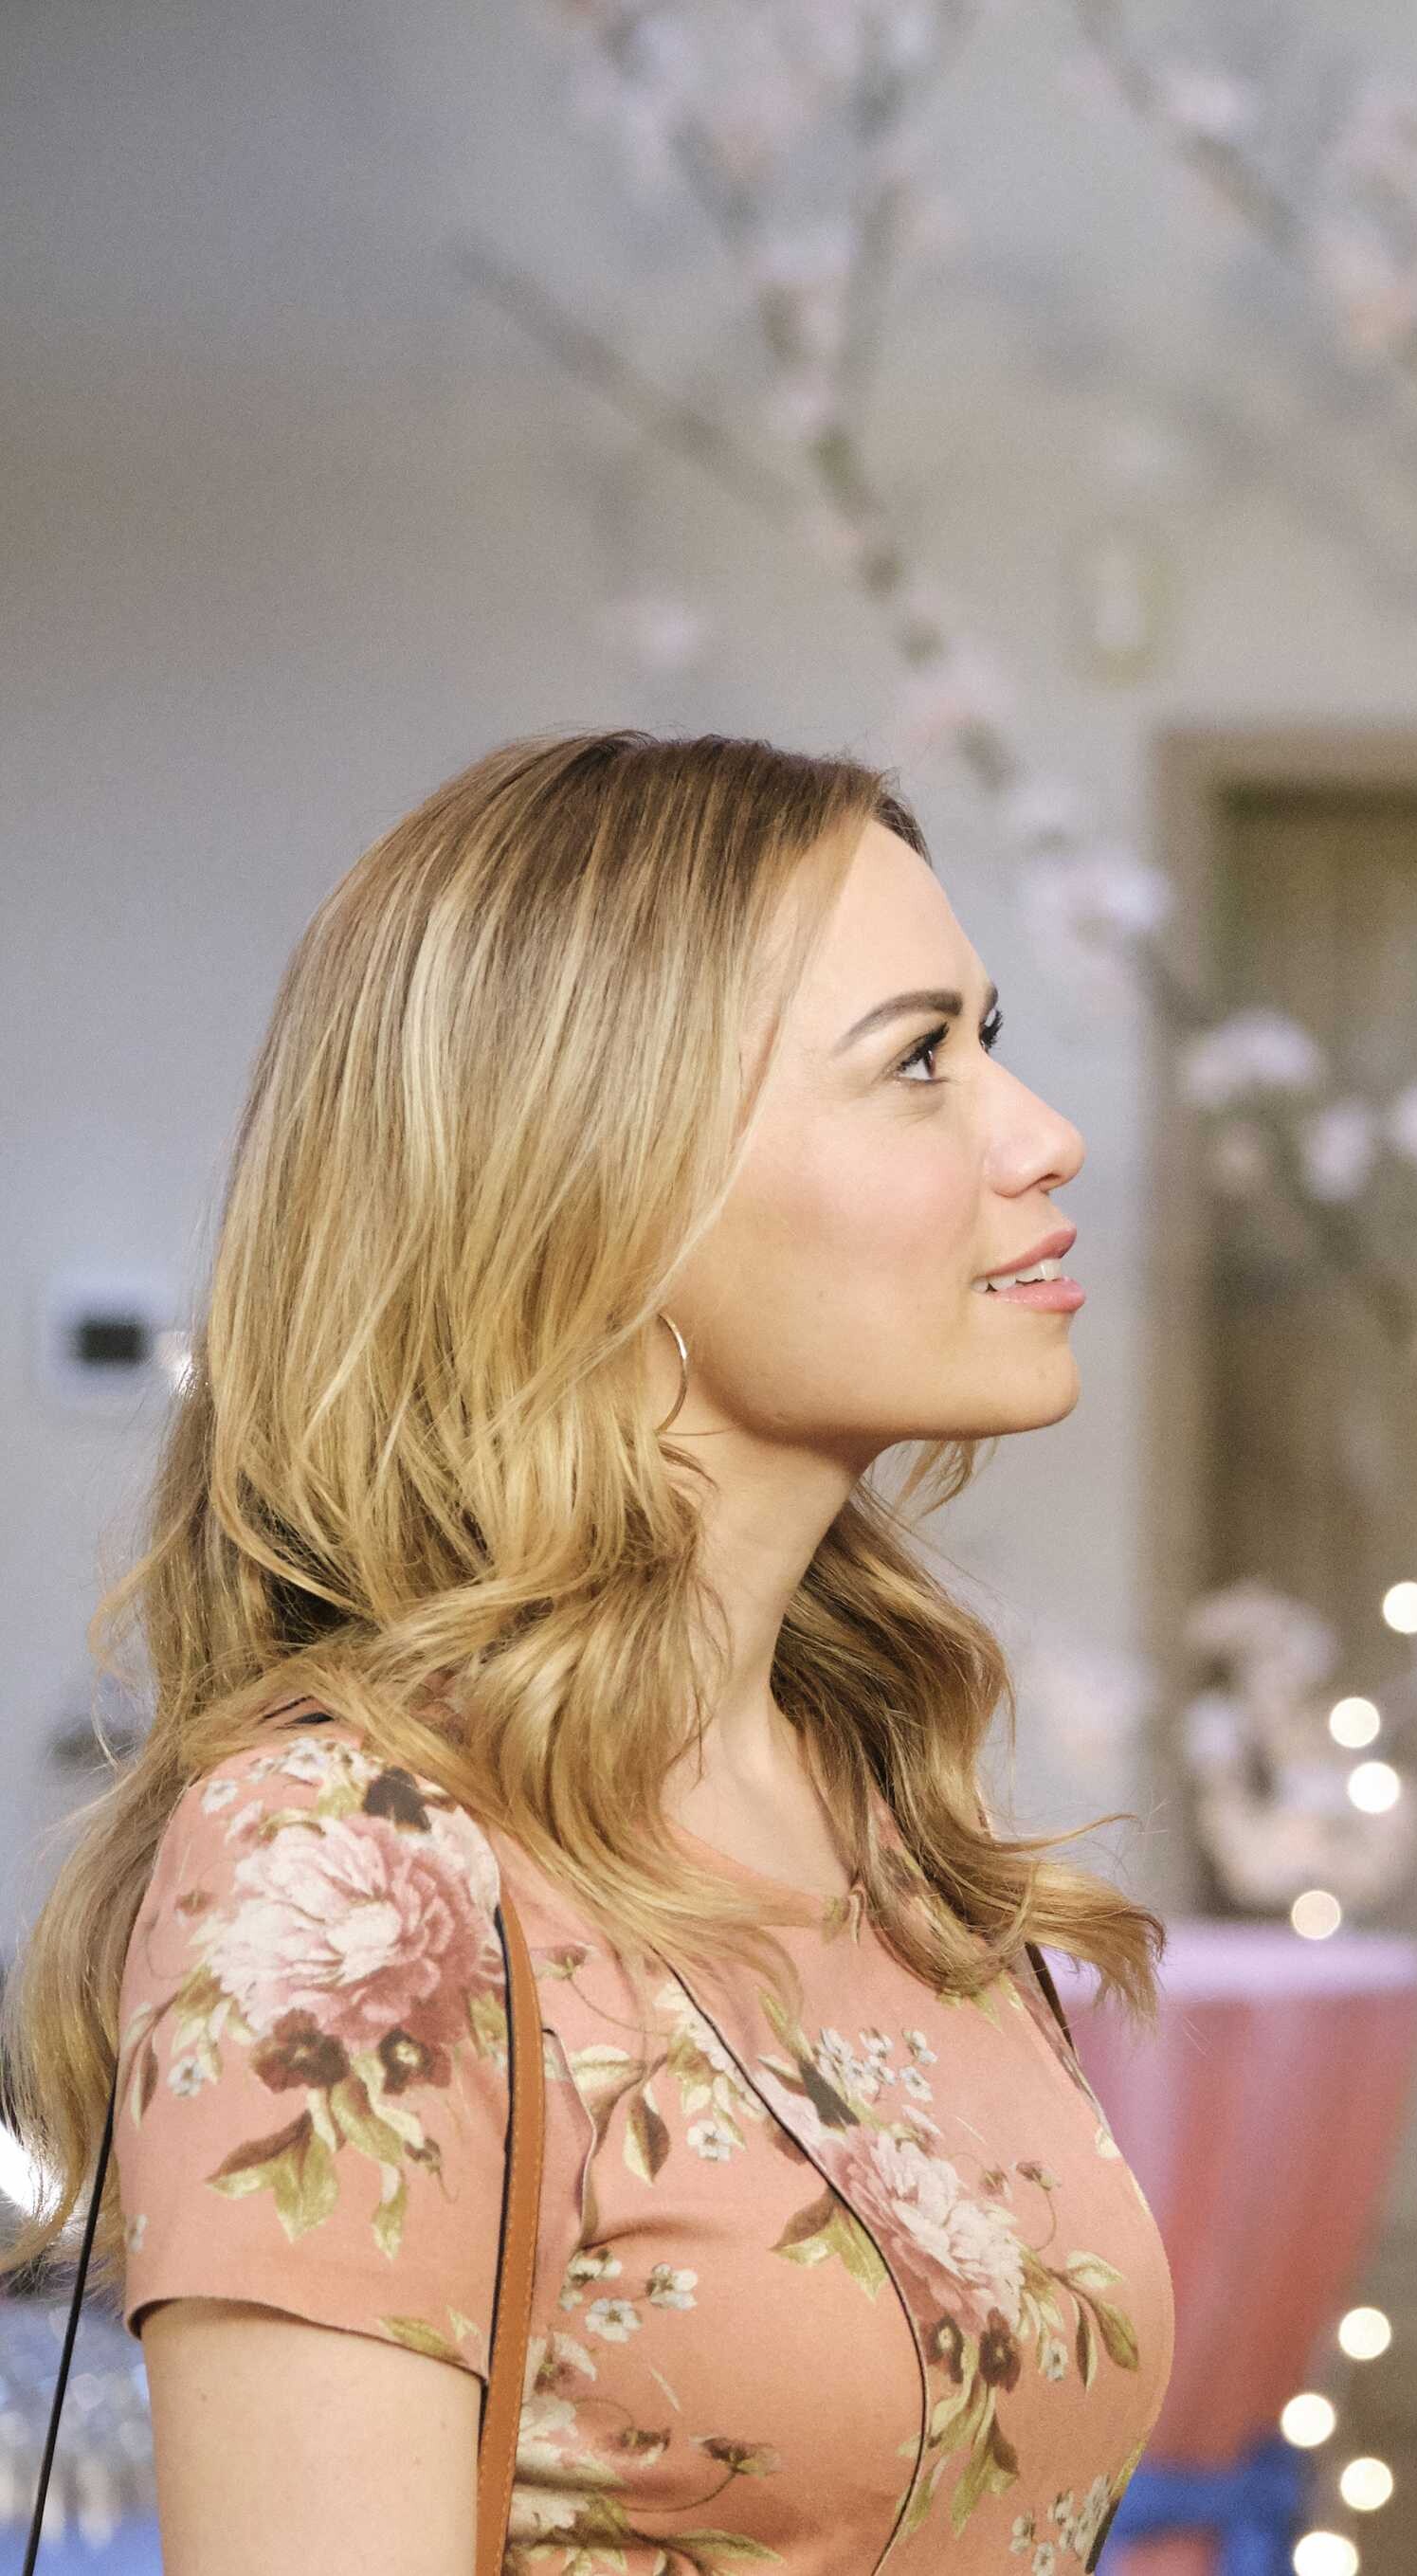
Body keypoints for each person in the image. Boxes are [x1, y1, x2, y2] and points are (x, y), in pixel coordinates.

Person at [0, 732, 1173, 2573]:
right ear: (608, 1184)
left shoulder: (868, 1782)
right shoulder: (345, 1862)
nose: (1042, 1135)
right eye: (918, 1059)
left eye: (991, 1038)